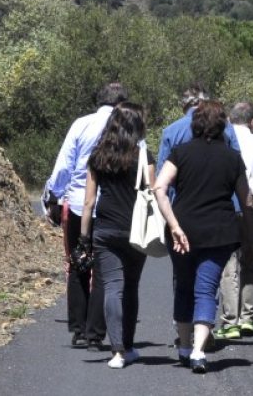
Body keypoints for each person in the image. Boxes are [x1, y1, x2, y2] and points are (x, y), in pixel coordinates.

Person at [154, 101, 253, 374]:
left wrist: (173, 224)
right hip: (219, 232)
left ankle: (184, 347)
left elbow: (159, 186)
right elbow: (246, 200)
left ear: (195, 124)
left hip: (183, 229)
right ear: (223, 124)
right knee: (206, 288)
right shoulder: (232, 158)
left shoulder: (180, 152)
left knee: (184, 285)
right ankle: (199, 350)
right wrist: (249, 233)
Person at [44, 82, 128, 350]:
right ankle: (95, 333)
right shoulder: (127, 127)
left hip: (79, 203)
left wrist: (53, 196)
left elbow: (64, 164)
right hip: (112, 207)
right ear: (121, 103)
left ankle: (78, 329)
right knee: (105, 270)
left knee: (78, 264)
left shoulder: (81, 124)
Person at [79, 103, 152, 369]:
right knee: (131, 287)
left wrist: (84, 238)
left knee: (112, 287)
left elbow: (88, 203)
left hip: (106, 228)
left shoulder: (98, 156)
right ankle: (129, 346)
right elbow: (152, 192)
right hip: (136, 229)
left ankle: (117, 350)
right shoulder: (144, 157)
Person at [215, 101, 253, 340]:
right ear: (252, 121)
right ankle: (248, 317)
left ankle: (229, 319)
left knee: (229, 262)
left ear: (230, 119)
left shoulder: (224, 142)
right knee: (250, 260)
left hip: (229, 204)